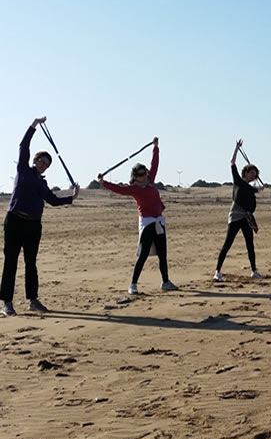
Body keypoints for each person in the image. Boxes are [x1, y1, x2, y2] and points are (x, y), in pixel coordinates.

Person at [1, 117, 80, 316]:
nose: (43, 164)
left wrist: (72, 198)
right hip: (15, 220)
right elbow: (23, 145)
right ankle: (6, 303)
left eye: (46, 163)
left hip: (33, 225)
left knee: (31, 263)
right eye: (41, 161)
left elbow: (53, 200)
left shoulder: (43, 184)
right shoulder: (23, 170)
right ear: (34, 160)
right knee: (11, 261)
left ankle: (32, 300)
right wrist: (33, 125)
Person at [98, 137, 179, 295]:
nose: (144, 176)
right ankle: (133, 284)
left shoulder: (151, 181)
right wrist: (103, 182)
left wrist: (156, 148)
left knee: (163, 253)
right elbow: (118, 189)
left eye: (145, 173)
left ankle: (165, 282)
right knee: (143, 254)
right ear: (135, 176)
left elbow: (154, 164)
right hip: (147, 222)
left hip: (158, 221)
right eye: (140, 174)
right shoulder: (133, 188)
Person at [214, 139, 263, 281]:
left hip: (246, 218)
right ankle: (217, 271)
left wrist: (260, 188)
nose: (253, 176)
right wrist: (236, 148)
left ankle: (254, 271)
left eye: (255, 174)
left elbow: (256, 191)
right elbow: (232, 163)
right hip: (235, 216)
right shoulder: (238, 181)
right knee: (227, 244)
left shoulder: (252, 188)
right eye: (251, 173)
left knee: (250, 245)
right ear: (245, 173)